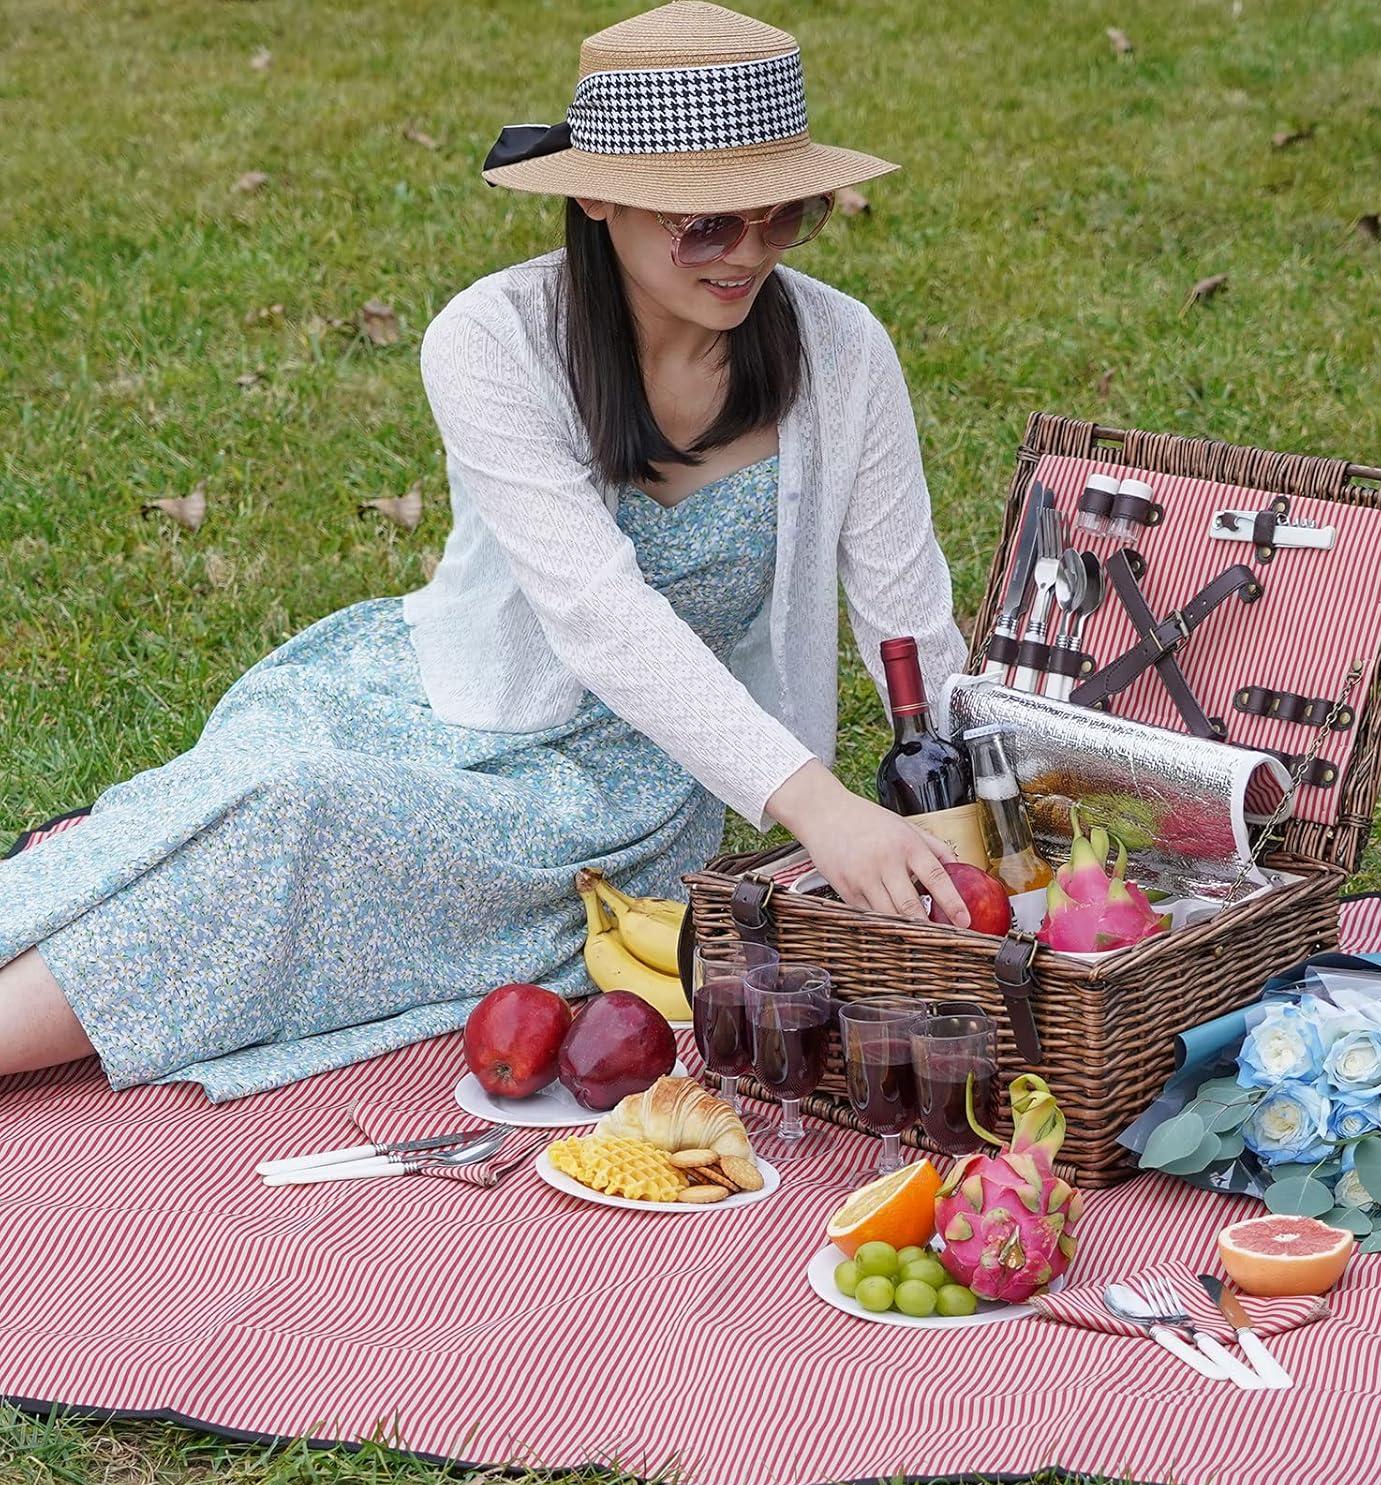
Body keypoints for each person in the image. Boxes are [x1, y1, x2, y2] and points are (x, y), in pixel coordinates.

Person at [0, 0, 970, 1099]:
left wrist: (987, 815)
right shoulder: (490, 338)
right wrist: (818, 804)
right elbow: (598, 614)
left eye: (782, 215)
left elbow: (909, 618)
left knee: (305, 832)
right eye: (706, 224)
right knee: (270, 800)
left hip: (659, 781)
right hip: (453, 700)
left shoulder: (842, 351)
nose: (748, 254)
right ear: (595, 194)